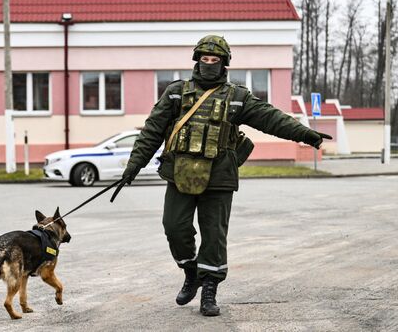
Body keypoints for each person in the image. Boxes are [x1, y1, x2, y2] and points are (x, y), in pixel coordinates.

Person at [118, 35, 332, 317]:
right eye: (204, 60)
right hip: (180, 172)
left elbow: (271, 118)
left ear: (224, 64)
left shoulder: (237, 97)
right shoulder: (175, 93)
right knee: (174, 227)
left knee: (214, 235)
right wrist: (132, 168)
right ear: (197, 61)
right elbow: (151, 132)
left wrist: (307, 135)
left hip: (219, 175)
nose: (208, 65)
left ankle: (209, 290)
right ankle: (191, 272)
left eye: (214, 60)